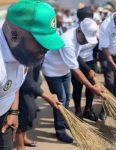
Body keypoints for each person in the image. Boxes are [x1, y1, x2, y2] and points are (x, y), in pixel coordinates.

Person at [0, 0, 64, 149]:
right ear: (14, 33)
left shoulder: (20, 51)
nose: (46, 49)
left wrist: (13, 111)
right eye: (40, 42)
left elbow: (15, 82)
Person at [42, 18, 104, 143]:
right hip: (53, 71)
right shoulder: (67, 41)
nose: (86, 42)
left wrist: (88, 70)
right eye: (86, 38)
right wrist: (92, 88)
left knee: (67, 98)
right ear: (79, 30)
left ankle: (65, 120)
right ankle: (60, 130)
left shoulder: (79, 38)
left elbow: (77, 56)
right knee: (60, 100)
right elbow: (76, 71)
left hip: (64, 70)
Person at [71, 7, 98, 121]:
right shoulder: (74, 31)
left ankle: (88, 109)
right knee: (78, 87)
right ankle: (78, 110)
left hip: (90, 60)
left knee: (91, 86)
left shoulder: (93, 27)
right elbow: (75, 55)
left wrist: (95, 63)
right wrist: (87, 69)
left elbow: (97, 43)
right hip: (77, 62)